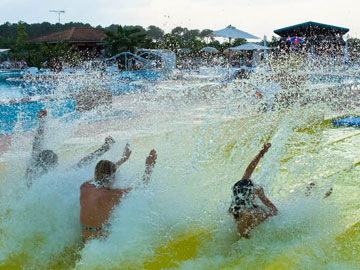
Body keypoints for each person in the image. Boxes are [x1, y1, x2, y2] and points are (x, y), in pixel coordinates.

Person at [80, 147, 157, 242]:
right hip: (101, 240)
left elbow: (101, 176)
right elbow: (141, 187)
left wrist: (123, 159)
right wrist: (149, 167)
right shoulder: (113, 194)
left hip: (84, 237)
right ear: (112, 176)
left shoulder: (84, 187)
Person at [26, 109, 116, 187]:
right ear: (53, 165)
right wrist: (104, 148)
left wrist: (42, 121)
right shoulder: (57, 178)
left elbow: (37, 143)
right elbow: (83, 162)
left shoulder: (31, 172)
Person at [228, 143, 278, 239]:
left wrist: (261, 152)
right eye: (253, 191)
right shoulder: (247, 213)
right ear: (250, 195)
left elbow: (249, 170)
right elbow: (275, 213)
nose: (255, 189)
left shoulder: (241, 191)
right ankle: (306, 193)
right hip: (249, 235)